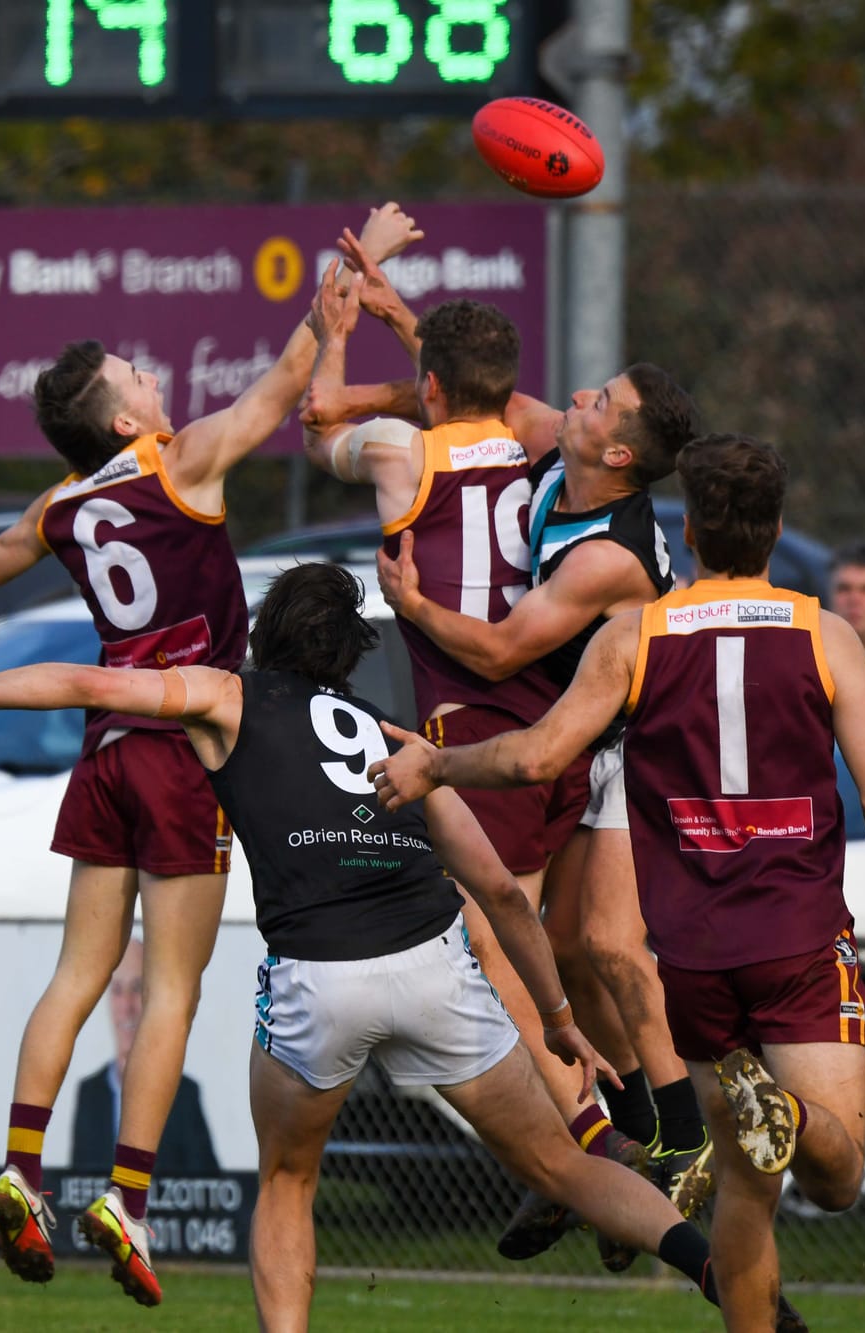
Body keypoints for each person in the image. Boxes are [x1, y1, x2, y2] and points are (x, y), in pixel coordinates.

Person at [0, 564, 736, 1329]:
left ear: (265, 634)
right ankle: (718, 1270)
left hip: (320, 976)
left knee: (287, 1182)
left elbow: (90, 682)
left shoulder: (227, 695)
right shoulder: (394, 736)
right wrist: (556, 1016)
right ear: (347, 655)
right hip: (432, 960)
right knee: (559, 1161)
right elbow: (503, 890)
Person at [0, 203, 423, 1301]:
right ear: (120, 418)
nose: (155, 383)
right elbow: (283, 383)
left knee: (75, 972)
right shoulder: (180, 466)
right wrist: (345, 288)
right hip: (182, 745)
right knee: (170, 986)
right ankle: (127, 1193)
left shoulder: (64, 506)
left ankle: (20, 1164)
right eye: (138, 379)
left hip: (103, 745)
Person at [370, 435, 865, 1333]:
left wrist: (438, 764)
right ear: (777, 531)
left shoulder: (634, 636)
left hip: (690, 959)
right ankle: (791, 1111)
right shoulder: (823, 632)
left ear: (689, 527)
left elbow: (536, 756)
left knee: (746, 1192)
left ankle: (767, 1138)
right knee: (834, 1179)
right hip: (799, 943)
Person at [303, 251, 713, 1267]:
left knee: (518, 952)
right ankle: (647, 1142)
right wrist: (406, 321)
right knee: (591, 952)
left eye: (600, 400)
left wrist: (408, 606)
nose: (577, 398)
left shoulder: (602, 546)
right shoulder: (537, 457)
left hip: (579, 739)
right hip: (570, 737)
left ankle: (609, 1149)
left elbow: (490, 647)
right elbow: (496, 396)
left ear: (616, 454)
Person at [71, 936, 219, 1177]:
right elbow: (77, 1185)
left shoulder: (184, 1093)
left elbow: (208, 1188)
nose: (127, 1005)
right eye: (117, 991)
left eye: (137, 988)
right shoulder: (90, 1093)